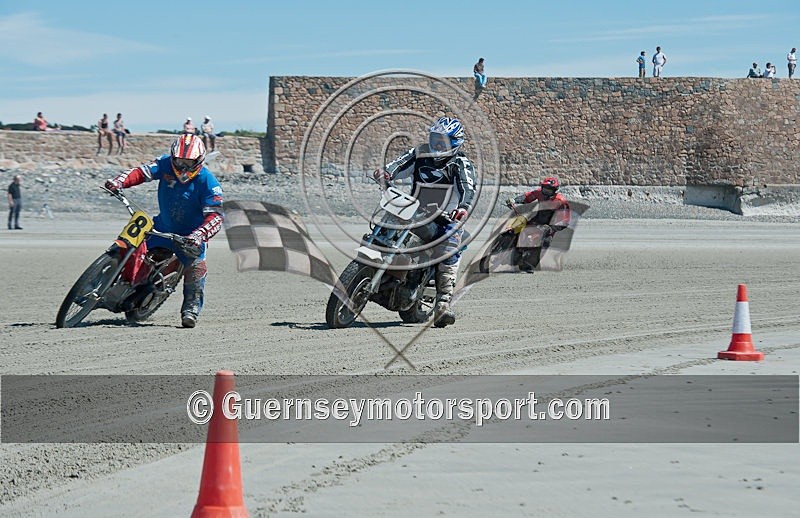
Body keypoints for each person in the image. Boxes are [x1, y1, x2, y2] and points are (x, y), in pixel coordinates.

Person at [103, 134, 224, 328]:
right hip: (161, 226)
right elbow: (141, 172)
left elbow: (216, 217)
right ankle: (116, 279)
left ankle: (190, 308)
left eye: (188, 162)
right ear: (173, 158)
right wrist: (119, 182)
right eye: (179, 161)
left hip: (190, 237)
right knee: (131, 244)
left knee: (197, 268)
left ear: (199, 161)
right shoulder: (165, 163)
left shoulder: (209, 183)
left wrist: (199, 235)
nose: (183, 167)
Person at [373, 117, 476, 328]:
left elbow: (468, 188)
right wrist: (386, 172)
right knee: (386, 221)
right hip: (414, 209)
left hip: (445, 217)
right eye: (435, 139)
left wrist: (463, 208)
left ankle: (443, 303)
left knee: (449, 246)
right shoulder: (419, 153)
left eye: (443, 142)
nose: (437, 145)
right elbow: (399, 164)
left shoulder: (460, 163)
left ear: (455, 142)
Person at [504, 177, 571, 272]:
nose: (546, 192)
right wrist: (514, 200)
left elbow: (565, 221)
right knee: (518, 227)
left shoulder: (561, 202)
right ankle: (511, 249)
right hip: (537, 220)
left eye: (549, 190)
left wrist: (551, 228)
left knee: (544, 242)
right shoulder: (540, 193)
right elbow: (528, 196)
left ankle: (529, 265)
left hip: (549, 227)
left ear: (555, 191)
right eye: (544, 189)